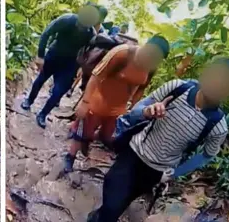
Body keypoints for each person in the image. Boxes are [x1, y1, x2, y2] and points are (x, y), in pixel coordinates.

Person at [88, 57, 229, 222]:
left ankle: (99, 217)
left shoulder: (217, 126)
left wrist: (175, 173)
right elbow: (135, 112)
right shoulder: (177, 88)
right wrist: (146, 112)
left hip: (157, 171)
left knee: (122, 201)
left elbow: (207, 155)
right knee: (113, 198)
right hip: (135, 153)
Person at [64, 35, 170, 173]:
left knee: (106, 136)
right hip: (98, 101)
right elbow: (97, 75)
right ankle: (70, 156)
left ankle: (87, 139)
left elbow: (141, 87)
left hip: (117, 109)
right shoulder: (122, 54)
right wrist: (85, 102)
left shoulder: (151, 68)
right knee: (83, 130)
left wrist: (132, 107)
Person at [21, 3, 108, 128]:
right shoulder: (66, 20)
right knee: (41, 79)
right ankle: (29, 100)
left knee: (58, 92)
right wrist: (40, 56)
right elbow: (46, 33)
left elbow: (90, 51)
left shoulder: (91, 33)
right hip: (54, 55)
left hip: (69, 64)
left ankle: (43, 114)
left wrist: (81, 68)